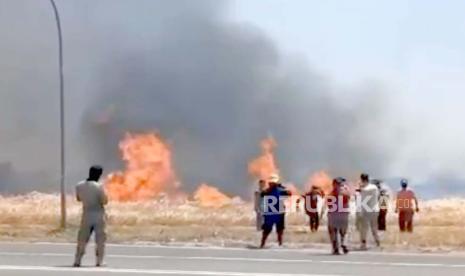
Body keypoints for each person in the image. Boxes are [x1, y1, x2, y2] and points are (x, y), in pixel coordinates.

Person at [74, 165, 108, 267]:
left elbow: (78, 199)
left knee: (82, 238)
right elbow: (104, 201)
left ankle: (77, 260)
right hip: (98, 213)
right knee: (100, 239)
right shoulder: (99, 186)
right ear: (99, 175)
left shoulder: (79, 185)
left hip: (86, 213)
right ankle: (99, 261)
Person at [260, 174, 291, 248]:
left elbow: (289, 193)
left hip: (277, 213)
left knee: (279, 230)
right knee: (268, 230)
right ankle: (263, 244)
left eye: (272, 183)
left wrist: (281, 188)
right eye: (271, 183)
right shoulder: (269, 191)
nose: (271, 184)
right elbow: (262, 194)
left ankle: (279, 244)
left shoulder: (279, 190)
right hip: (272, 213)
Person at [321, 177, 351, 255]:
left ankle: (336, 248)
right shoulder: (346, 192)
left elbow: (328, 205)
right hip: (344, 214)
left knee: (333, 232)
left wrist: (322, 214)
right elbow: (348, 199)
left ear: (334, 184)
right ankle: (344, 244)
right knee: (344, 232)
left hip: (333, 215)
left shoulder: (331, 193)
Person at [358, 174, 380, 250]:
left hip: (369, 210)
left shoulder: (369, 188)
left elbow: (365, 192)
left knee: (365, 228)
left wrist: (360, 188)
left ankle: (365, 244)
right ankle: (376, 242)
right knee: (371, 228)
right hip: (372, 210)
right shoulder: (373, 187)